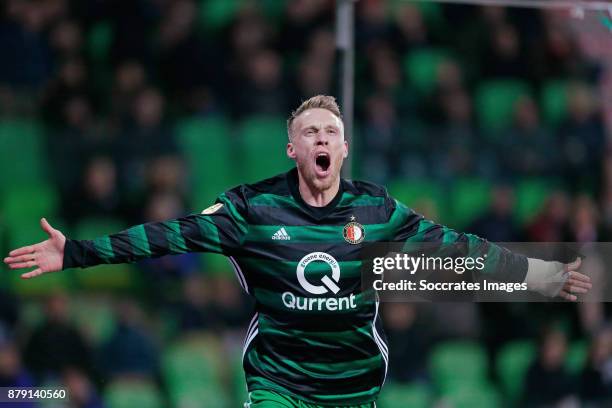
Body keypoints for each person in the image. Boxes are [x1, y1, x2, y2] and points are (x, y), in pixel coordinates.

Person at [4, 95, 592, 407]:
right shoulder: (251, 210)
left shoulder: (377, 210)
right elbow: (169, 235)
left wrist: (537, 273)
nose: (321, 140)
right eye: (311, 132)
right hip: (279, 384)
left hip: (354, 386)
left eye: (330, 133)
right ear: (292, 148)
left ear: (344, 148)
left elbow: (459, 249)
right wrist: (76, 252)